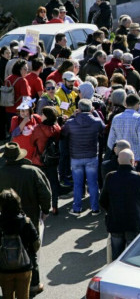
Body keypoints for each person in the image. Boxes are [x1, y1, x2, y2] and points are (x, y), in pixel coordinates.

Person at [0, 143, 50, 295]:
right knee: (30, 249)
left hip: (4, 218)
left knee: (5, 246)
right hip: (30, 217)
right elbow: (45, 193)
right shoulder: (33, 171)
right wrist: (46, 210)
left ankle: (7, 281)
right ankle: (33, 284)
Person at [100, 149, 140, 261]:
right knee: (132, 257)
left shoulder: (110, 177)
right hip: (134, 223)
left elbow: (102, 200)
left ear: (118, 161)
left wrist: (111, 211)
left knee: (116, 256)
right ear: (132, 161)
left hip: (115, 222)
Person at [61, 99, 104, 214]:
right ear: (91, 109)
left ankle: (76, 208)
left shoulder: (71, 123)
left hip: (76, 157)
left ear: (78, 109)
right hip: (91, 156)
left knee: (78, 184)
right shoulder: (96, 122)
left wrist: (71, 116)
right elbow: (103, 129)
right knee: (93, 184)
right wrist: (94, 113)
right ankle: (95, 208)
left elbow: (63, 133)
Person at [0, 189, 40, 299]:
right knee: (23, 296)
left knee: (7, 296)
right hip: (24, 266)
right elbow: (36, 243)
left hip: (4, 268)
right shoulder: (26, 221)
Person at [107, 94, 140, 171]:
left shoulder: (116, 118)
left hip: (120, 160)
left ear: (125, 104)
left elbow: (110, 142)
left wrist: (117, 155)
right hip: (137, 160)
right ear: (138, 104)